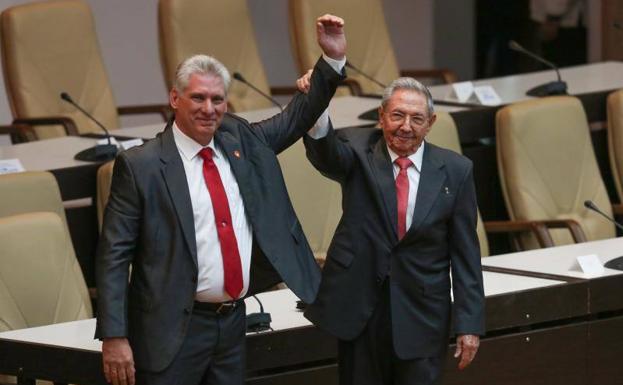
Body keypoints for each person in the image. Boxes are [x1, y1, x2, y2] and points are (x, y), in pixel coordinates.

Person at [95, 14, 346, 385]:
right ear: (175, 98)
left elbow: (296, 118)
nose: (208, 109)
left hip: (231, 325)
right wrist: (115, 336)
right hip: (170, 331)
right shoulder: (141, 165)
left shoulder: (240, 139)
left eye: (217, 99)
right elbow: (114, 255)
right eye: (197, 97)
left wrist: (331, 61)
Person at [297, 75, 485, 385]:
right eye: (397, 115)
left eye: (416, 118)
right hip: (361, 311)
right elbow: (326, 154)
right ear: (382, 116)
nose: (406, 126)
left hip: (423, 313)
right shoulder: (358, 150)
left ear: (431, 123)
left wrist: (469, 325)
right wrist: (316, 105)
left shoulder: (456, 170)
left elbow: (465, 254)